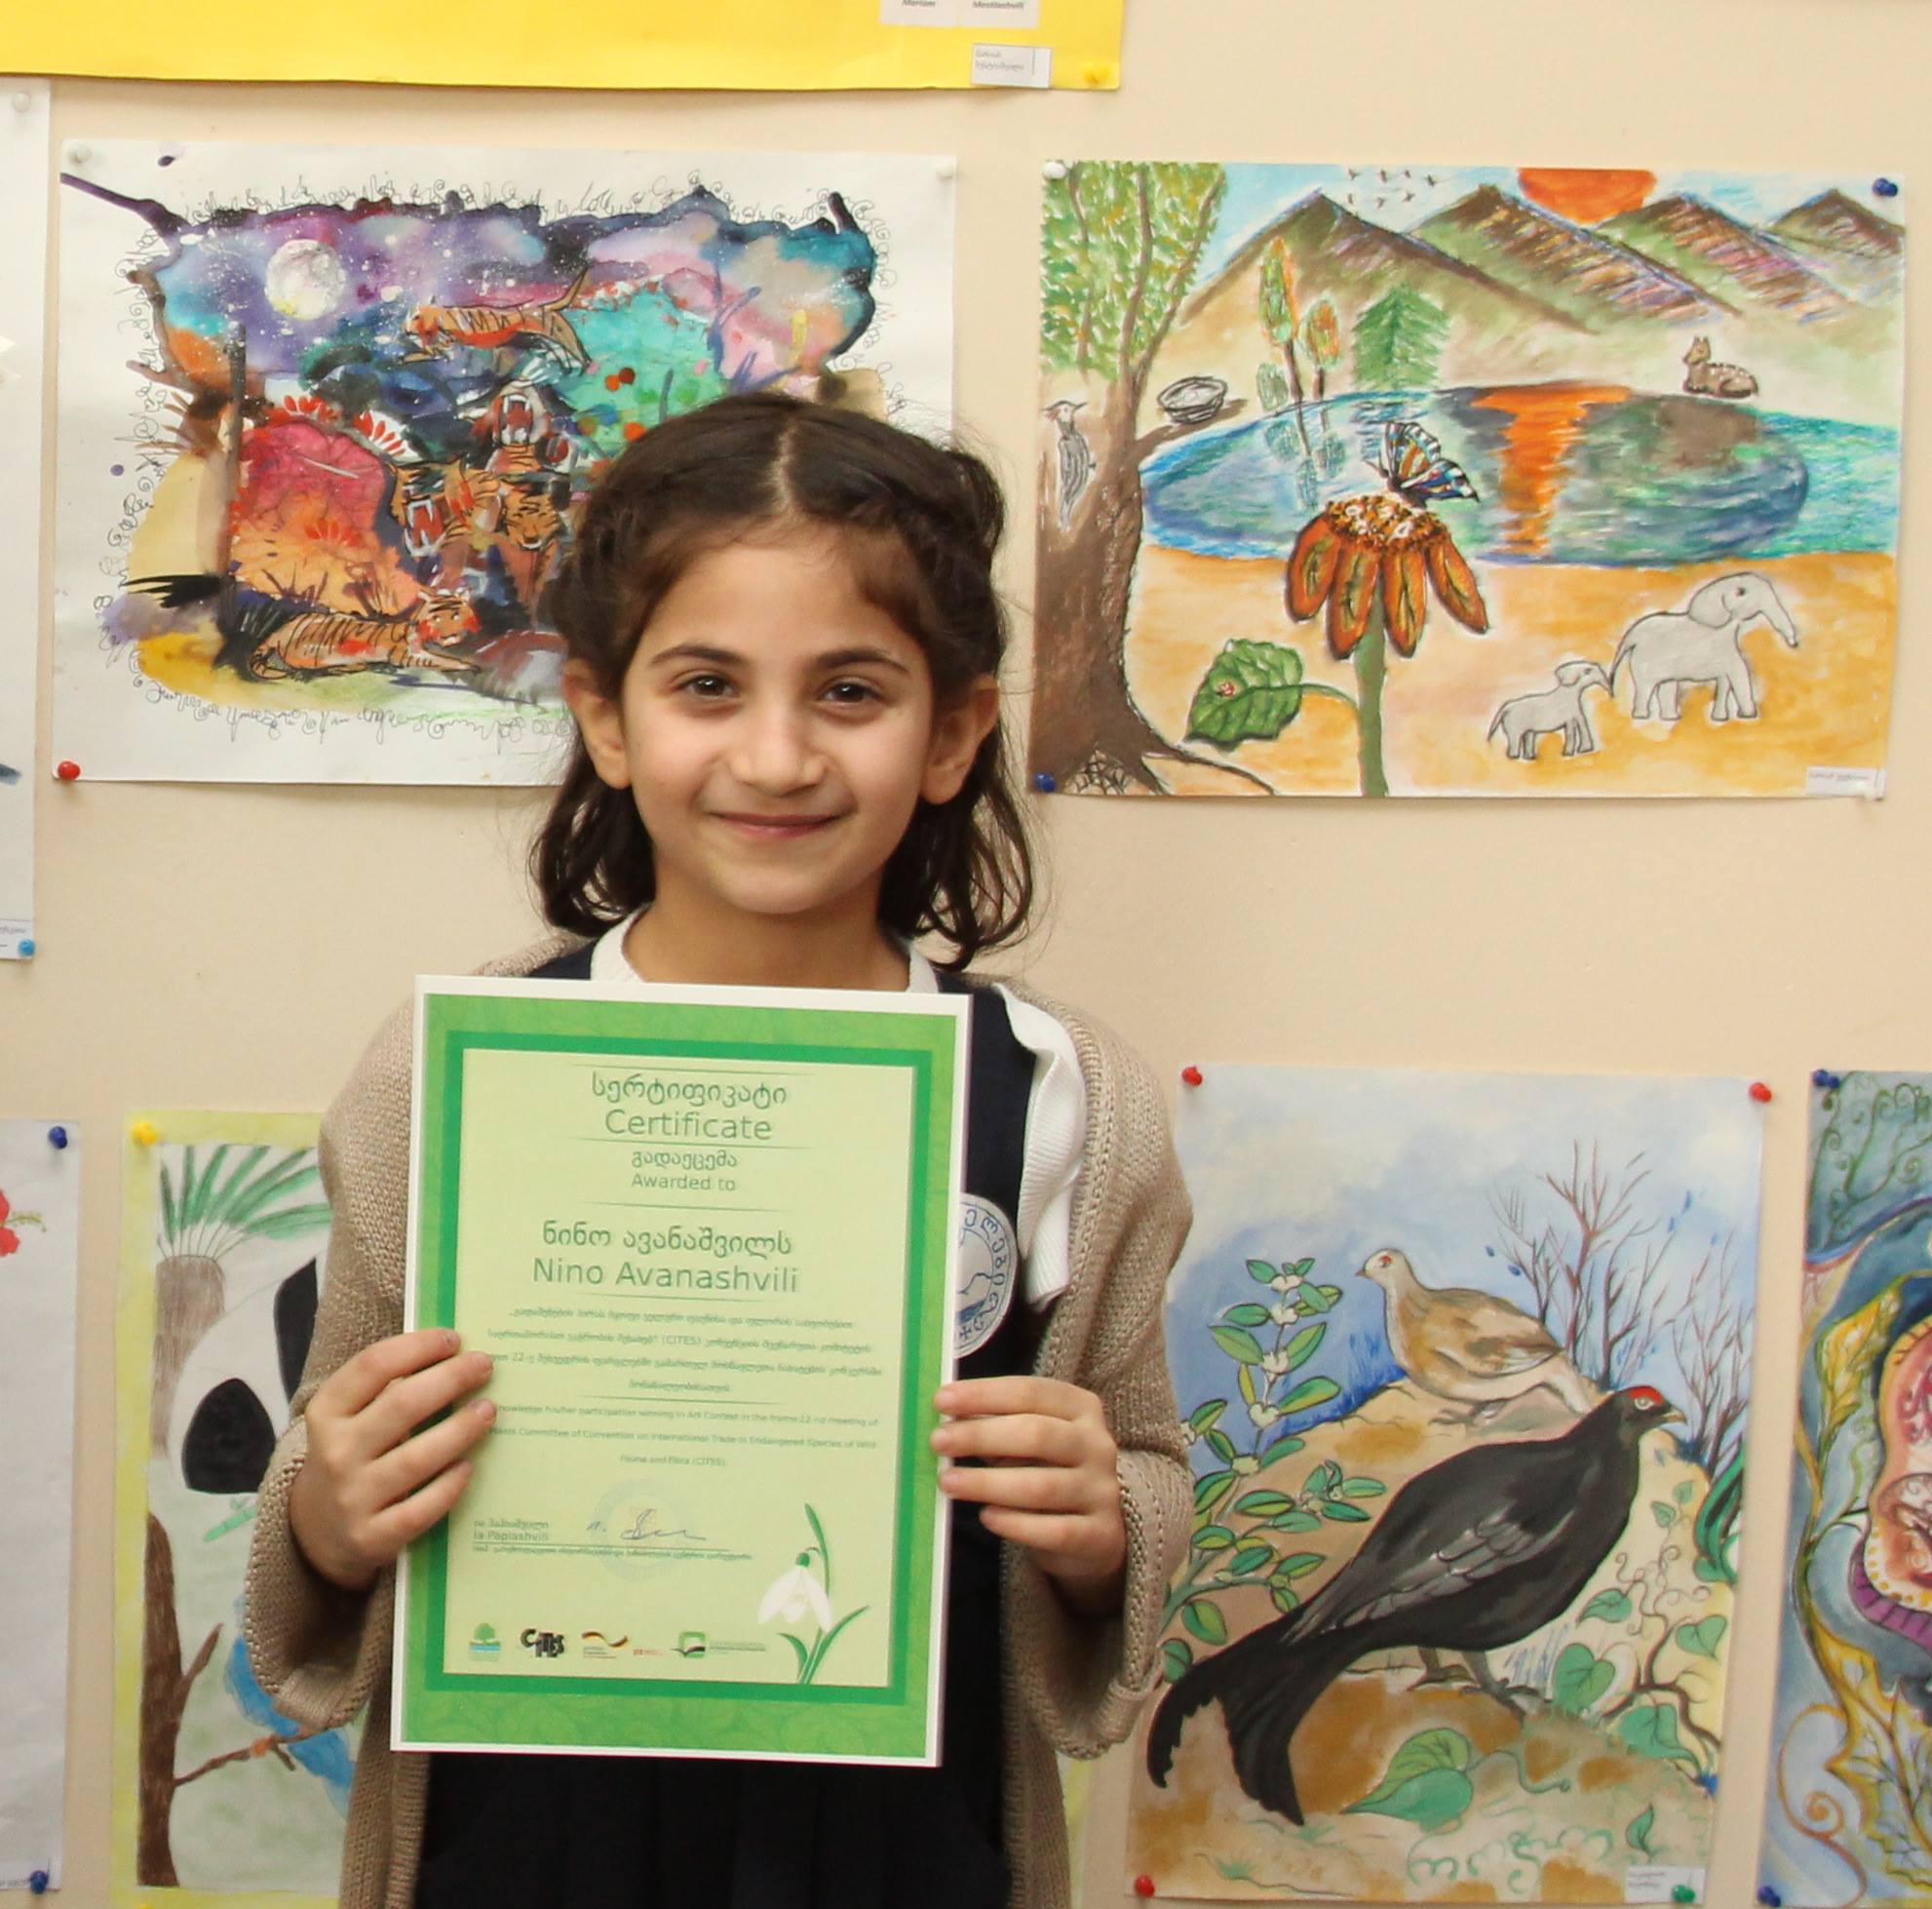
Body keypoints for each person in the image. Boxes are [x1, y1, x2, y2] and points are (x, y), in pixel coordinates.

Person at [245, 392, 1192, 1909]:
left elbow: (1139, 1463)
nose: (775, 754)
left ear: (952, 732)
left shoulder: (1065, 1097)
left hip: (898, 1848)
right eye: (706, 685)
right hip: (525, 1838)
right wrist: (327, 1511)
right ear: (606, 718)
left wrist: (1102, 1520)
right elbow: (330, 1446)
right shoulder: (444, 1079)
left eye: (850, 691)